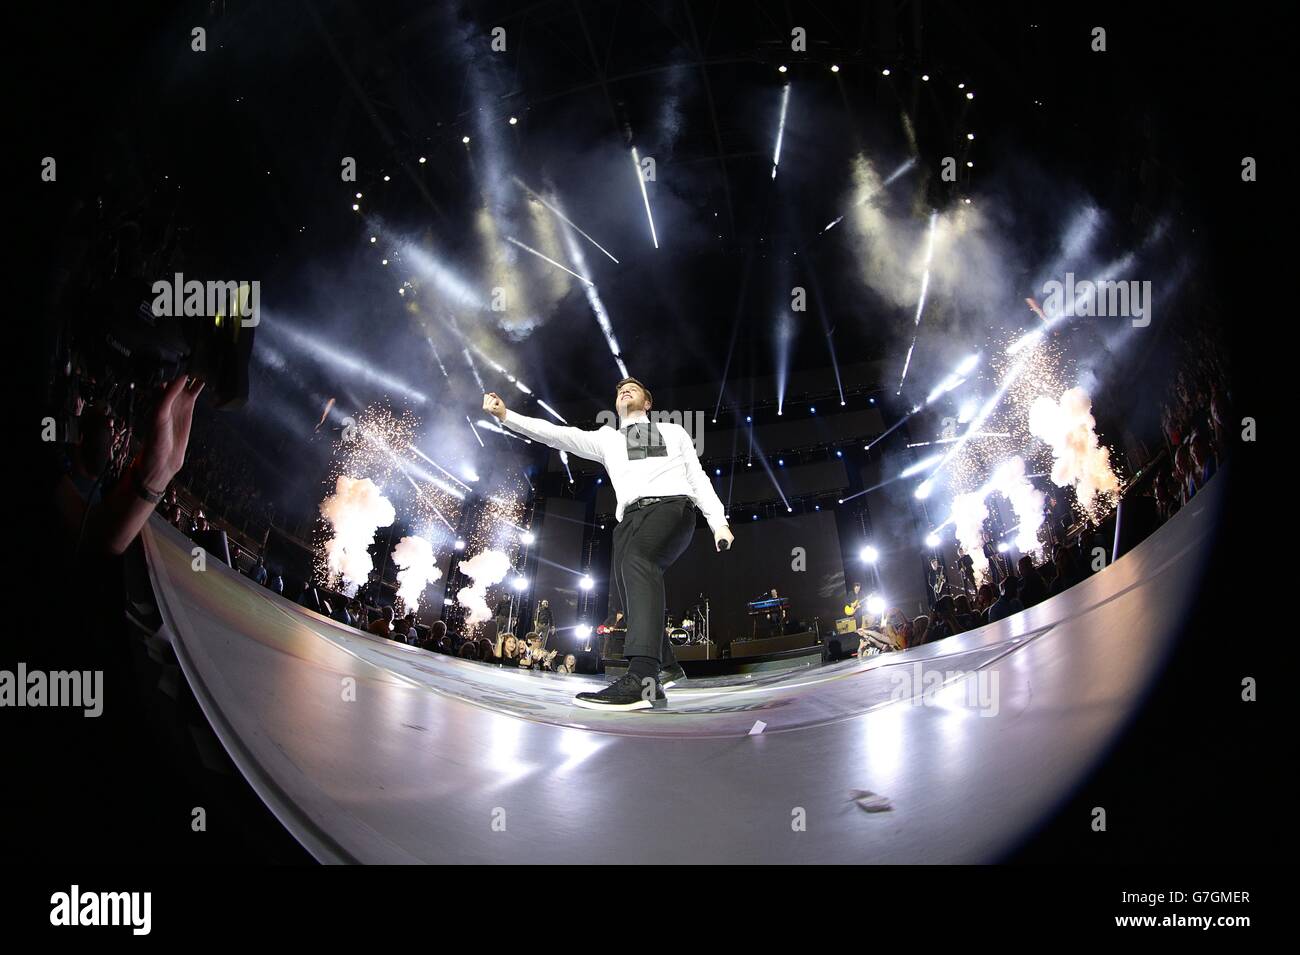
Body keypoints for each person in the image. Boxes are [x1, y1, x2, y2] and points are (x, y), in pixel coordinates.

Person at [484, 378, 733, 710]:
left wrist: (719, 522)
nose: (624, 389)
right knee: (629, 585)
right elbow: (557, 434)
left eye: (633, 387)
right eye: (619, 390)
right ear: (616, 405)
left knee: (639, 563)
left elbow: (698, 477)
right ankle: (669, 666)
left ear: (648, 403)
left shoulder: (672, 433)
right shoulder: (608, 439)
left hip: (671, 507)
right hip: (628, 519)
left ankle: (645, 680)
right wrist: (507, 416)